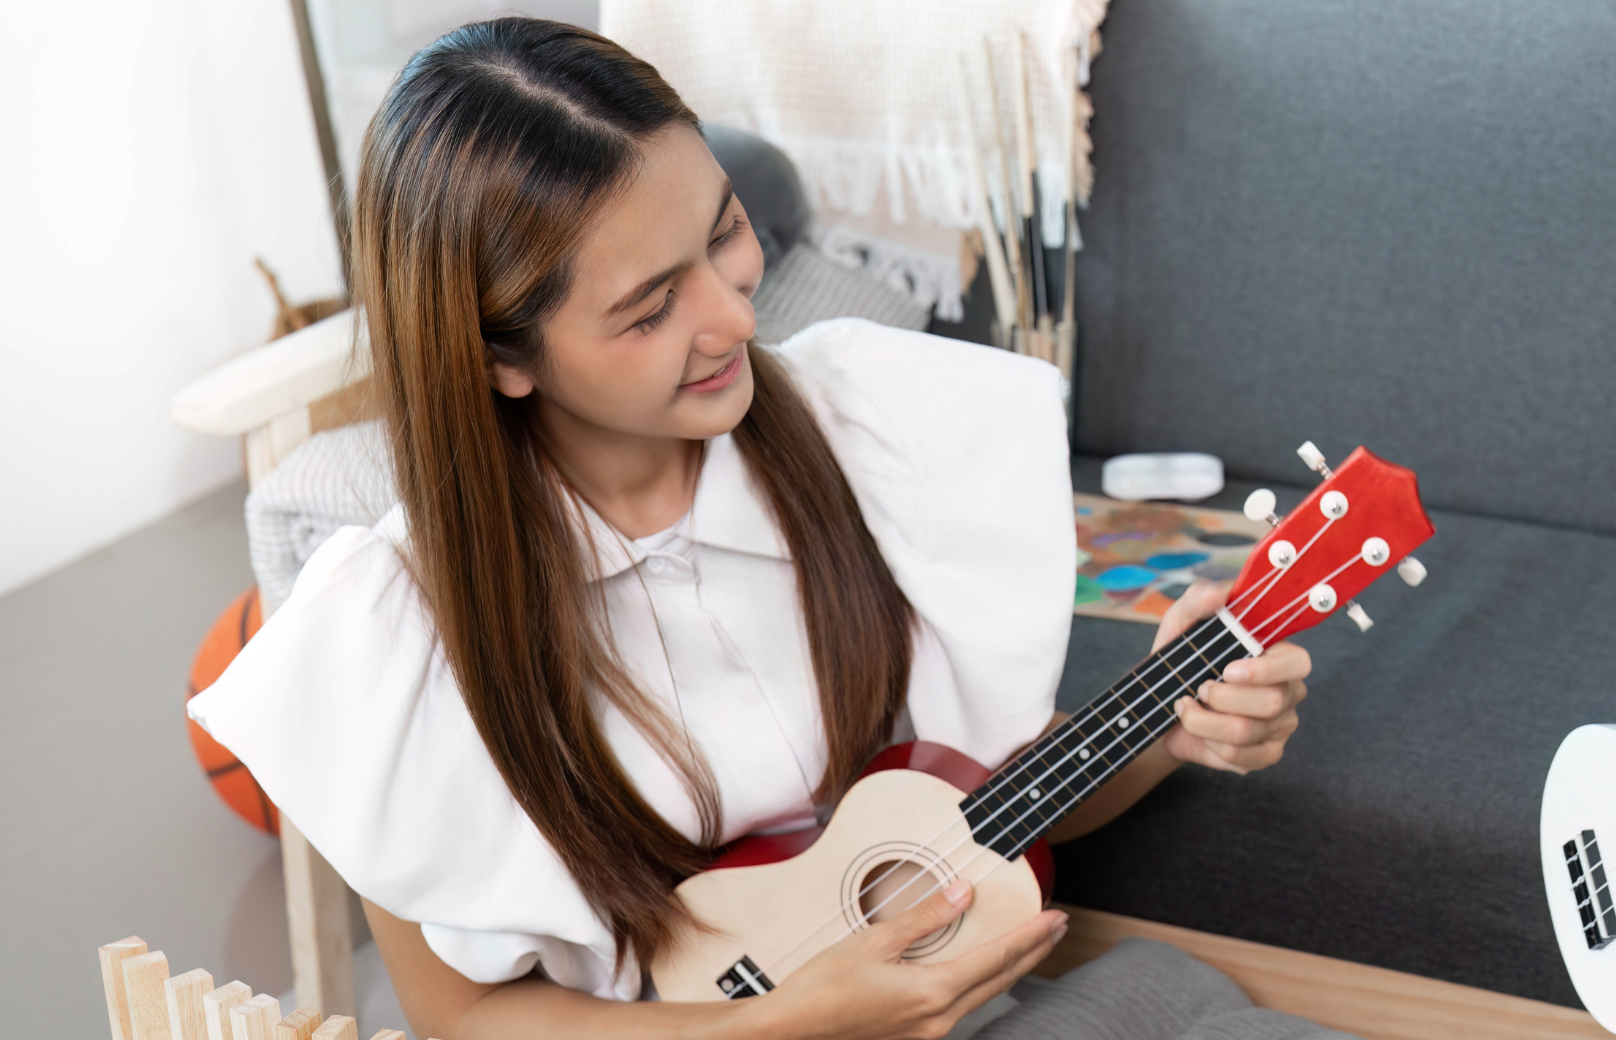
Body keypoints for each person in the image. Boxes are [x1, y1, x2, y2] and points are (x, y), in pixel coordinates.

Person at [188, 18, 1317, 1040]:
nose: (735, 314)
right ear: (500, 358)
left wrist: (1174, 725)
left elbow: (970, 804)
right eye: (648, 305)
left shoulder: (862, 433)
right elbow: (464, 1016)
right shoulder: (399, 635)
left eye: (723, 231)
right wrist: (785, 1023)